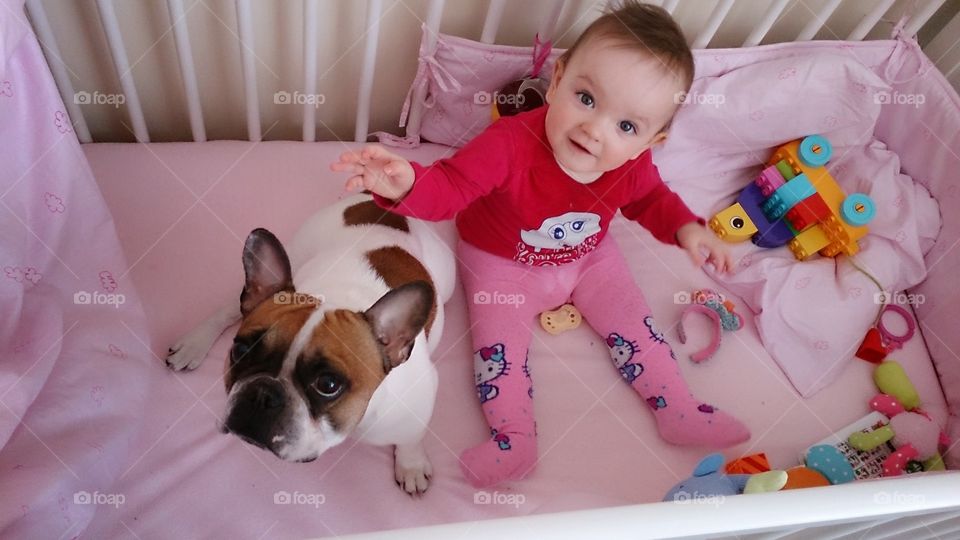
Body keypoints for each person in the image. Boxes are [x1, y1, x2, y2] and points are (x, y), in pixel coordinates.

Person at [332, 1, 749, 488]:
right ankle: (513, 440)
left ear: (651, 141)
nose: (594, 130)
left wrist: (687, 228)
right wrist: (406, 184)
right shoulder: (509, 144)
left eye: (627, 126)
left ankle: (676, 407)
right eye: (587, 99)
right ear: (556, 81)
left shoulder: (633, 167)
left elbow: (653, 200)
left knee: (635, 322)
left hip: (589, 256)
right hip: (500, 260)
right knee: (500, 349)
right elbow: (451, 187)